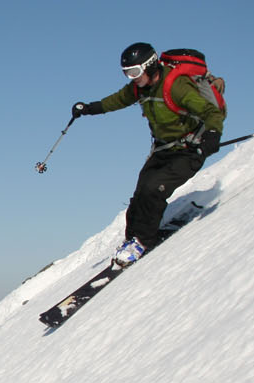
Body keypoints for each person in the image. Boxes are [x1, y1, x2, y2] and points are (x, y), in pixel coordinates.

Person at [71, 42, 225, 267]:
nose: (131, 78)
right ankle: (132, 239)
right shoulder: (139, 88)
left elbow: (211, 112)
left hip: (189, 149)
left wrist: (212, 135)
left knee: (154, 189)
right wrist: (89, 108)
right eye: (126, 73)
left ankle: (143, 240)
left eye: (134, 72)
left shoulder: (176, 86)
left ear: (150, 66)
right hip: (163, 149)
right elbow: (117, 100)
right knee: (141, 192)